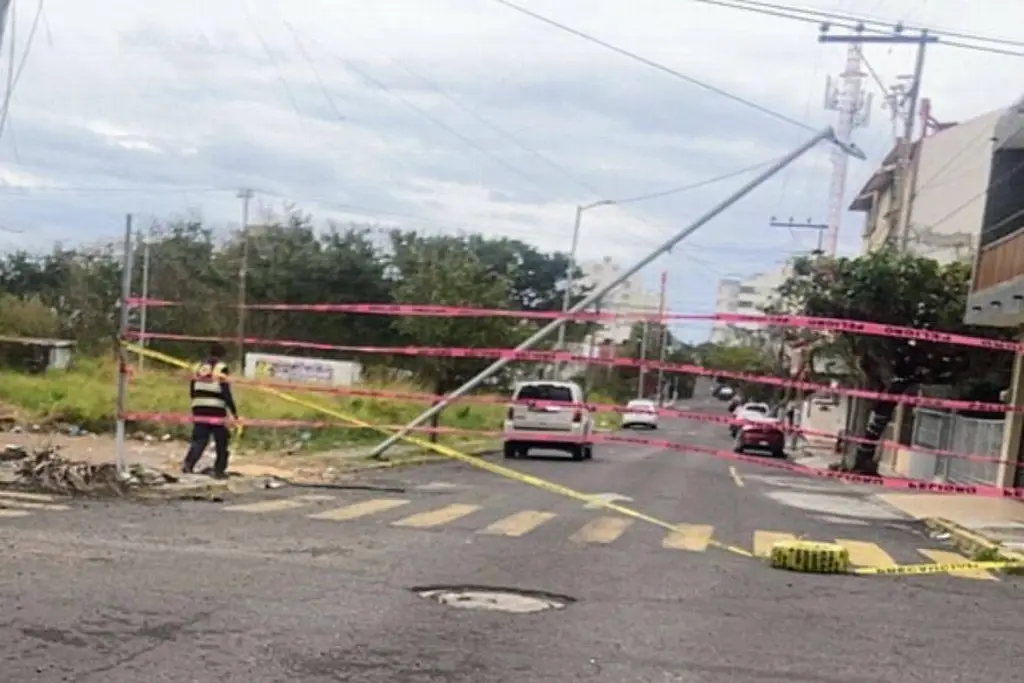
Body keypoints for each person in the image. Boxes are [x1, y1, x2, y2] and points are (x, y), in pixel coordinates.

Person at [181, 343, 238, 478]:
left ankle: (188, 464)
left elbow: (192, 387)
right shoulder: (221, 367)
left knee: (199, 438)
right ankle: (219, 470)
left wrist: (196, 402)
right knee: (221, 439)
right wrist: (234, 411)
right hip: (215, 407)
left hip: (198, 406)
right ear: (222, 355)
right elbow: (225, 391)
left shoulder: (198, 367)